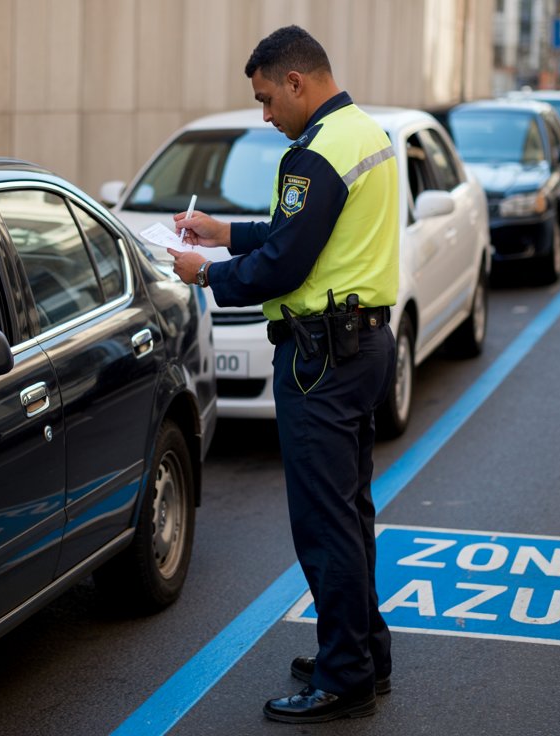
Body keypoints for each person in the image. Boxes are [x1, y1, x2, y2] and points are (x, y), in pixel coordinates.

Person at [167, 25, 399, 724]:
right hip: (365, 347)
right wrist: (225, 232)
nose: (267, 116)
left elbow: (287, 264)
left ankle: (344, 677)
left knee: (325, 523)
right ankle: (362, 652)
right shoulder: (366, 133)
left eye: (268, 100)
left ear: (297, 82)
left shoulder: (314, 155)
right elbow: (296, 232)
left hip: (321, 359)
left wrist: (205, 272)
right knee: (351, 514)